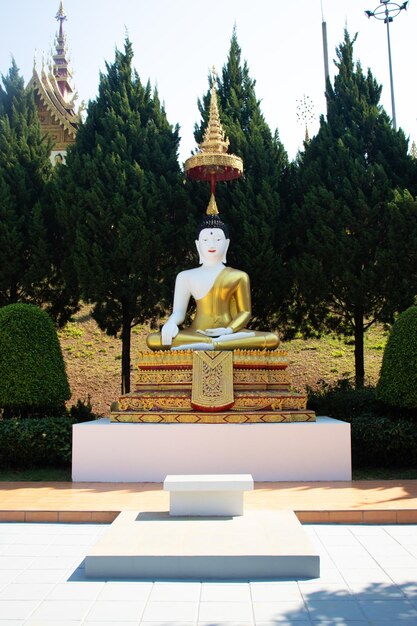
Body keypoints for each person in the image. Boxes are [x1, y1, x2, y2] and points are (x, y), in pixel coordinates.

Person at [147, 214, 279, 351]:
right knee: (154, 340)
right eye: (205, 239)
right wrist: (171, 323)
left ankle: (212, 344)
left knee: (271, 340)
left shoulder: (238, 276)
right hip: (196, 333)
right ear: (198, 244)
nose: (212, 244)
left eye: (217, 239)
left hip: (230, 334)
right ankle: (213, 344)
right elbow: (179, 313)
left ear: (226, 243)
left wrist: (228, 330)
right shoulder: (185, 276)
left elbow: (245, 312)